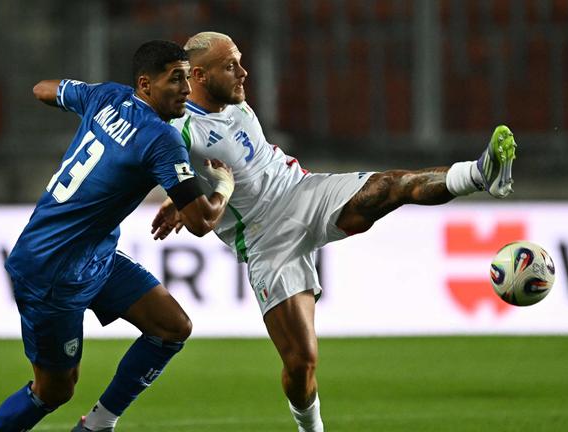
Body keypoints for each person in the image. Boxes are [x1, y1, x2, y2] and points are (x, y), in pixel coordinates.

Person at [151, 32, 517, 432]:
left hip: (302, 191)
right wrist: (181, 199)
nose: (243, 72)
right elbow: (175, 172)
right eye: (230, 66)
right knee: (300, 364)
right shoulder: (180, 130)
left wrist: (185, 195)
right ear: (199, 75)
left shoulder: (234, 102)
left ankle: (482, 174)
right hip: (265, 240)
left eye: (239, 61)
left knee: (390, 187)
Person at [0, 40, 234, 432]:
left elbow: (42, 89)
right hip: (53, 272)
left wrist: (79, 101)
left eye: (187, 78)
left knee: (172, 327)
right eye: (175, 79)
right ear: (146, 84)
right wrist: (223, 186)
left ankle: (97, 425)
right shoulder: (161, 138)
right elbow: (202, 222)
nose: (186, 89)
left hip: (92, 255)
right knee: (54, 391)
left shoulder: (107, 96)